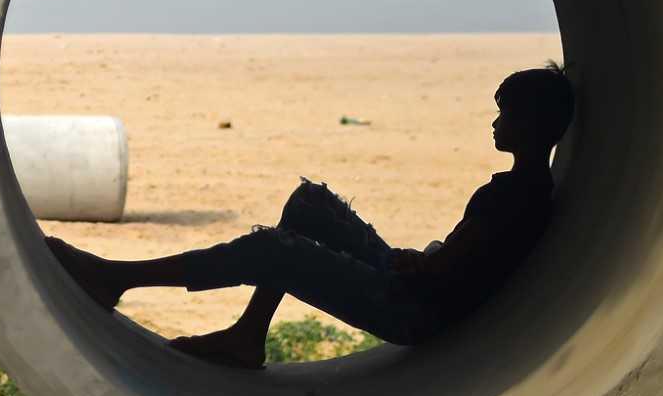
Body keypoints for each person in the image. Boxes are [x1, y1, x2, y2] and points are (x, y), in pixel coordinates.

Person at [47, 65, 574, 368]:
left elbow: (451, 275)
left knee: (274, 251)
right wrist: (425, 260)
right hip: (421, 285)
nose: (496, 120)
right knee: (308, 205)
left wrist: (422, 262)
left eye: (506, 112)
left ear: (531, 124)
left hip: (416, 309)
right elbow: (464, 265)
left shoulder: (514, 197)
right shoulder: (523, 189)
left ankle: (118, 277)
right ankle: (249, 333)